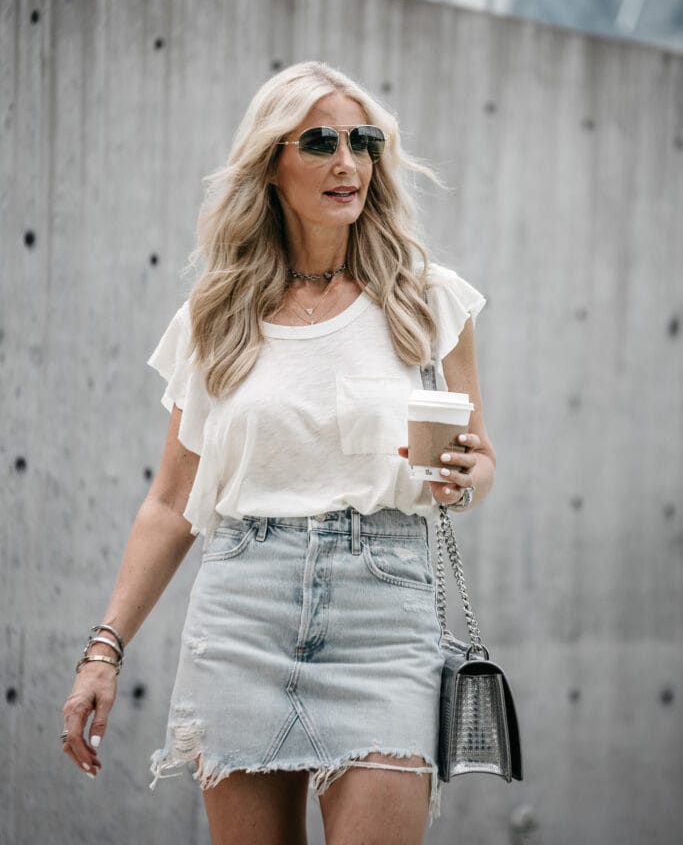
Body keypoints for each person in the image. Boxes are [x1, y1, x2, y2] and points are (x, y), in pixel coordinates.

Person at [61, 60, 496, 845]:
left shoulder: (427, 301)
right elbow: (170, 503)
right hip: (243, 611)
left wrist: (466, 477)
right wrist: (105, 650)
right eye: (320, 142)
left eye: (363, 142)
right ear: (270, 164)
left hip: (382, 612)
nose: (347, 162)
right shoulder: (217, 316)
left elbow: (474, 465)